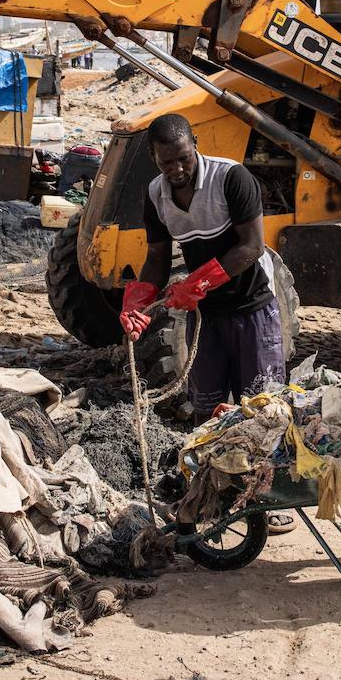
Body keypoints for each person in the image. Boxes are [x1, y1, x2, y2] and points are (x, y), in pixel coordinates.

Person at [121, 114, 293, 533]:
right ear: (154, 159)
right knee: (205, 409)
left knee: (262, 411)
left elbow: (251, 247)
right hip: (208, 316)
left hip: (253, 309)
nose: (177, 169)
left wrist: (199, 281)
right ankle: (206, 494)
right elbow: (159, 257)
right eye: (167, 163)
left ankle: (265, 502)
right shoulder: (156, 195)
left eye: (183, 158)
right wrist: (139, 298)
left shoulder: (232, 179)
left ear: (194, 144)